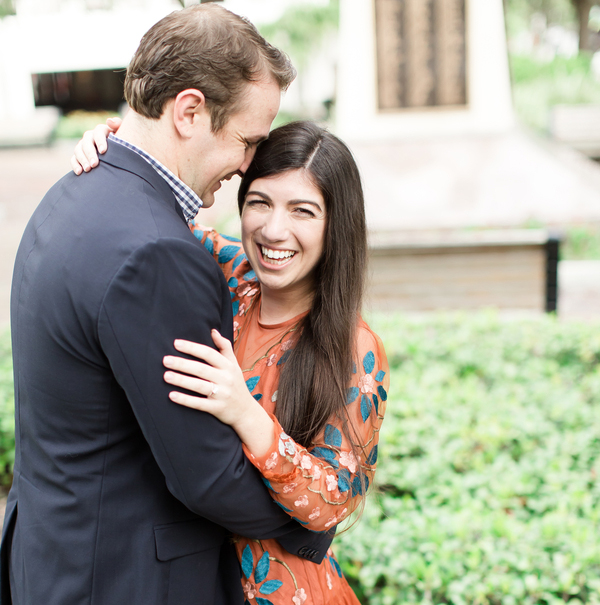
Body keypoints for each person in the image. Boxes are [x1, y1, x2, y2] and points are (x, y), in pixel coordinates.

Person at [1, 6, 333, 605]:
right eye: (247, 140)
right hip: (123, 578)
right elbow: (205, 475)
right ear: (189, 111)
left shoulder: (74, 189)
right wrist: (313, 516)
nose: (248, 167)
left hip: (50, 558)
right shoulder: (156, 252)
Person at [74, 119, 389, 605]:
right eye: (259, 202)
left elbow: (334, 503)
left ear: (337, 225)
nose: (273, 229)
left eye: (302, 211)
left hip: (289, 593)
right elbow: (152, 214)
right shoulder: (228, 271)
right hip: (193, 577)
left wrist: (246, 413)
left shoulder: (355, 348)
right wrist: (113, 147)